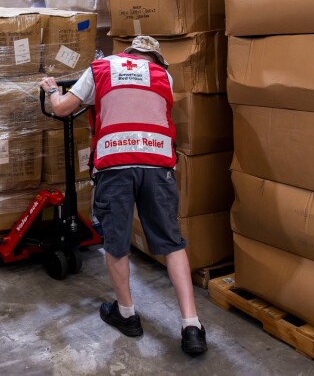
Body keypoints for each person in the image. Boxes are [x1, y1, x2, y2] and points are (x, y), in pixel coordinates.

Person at [40, 35, 207, 356]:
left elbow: (61, 110)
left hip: (115, 163)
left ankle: (127, 314)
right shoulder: (164, 76)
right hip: (157, 163)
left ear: (128, 52)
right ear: (155, 59)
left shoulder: (100, 68)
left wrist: (51, 89)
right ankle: (191, 325)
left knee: (116, 240)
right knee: (172, 242)